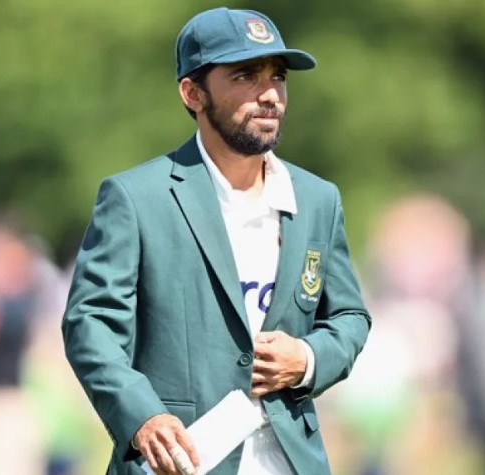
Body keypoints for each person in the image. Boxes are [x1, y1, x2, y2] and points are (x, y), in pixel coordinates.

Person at [62, 7, 371, 475]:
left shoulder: (318, 199)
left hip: (292, 460)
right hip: (180, 461)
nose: (270, 94)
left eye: (278, 77)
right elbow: (90, 324)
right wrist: (142, 417)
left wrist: (307, 358)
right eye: (245, 76)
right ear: (193, 93)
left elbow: (349, 317)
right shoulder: (135, 198)